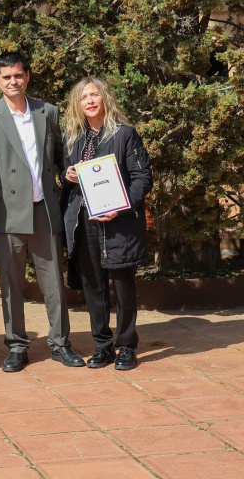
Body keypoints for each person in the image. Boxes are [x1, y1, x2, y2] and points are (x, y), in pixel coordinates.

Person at [0, 51, 85, 372]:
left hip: (43, 210)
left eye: (18, 75)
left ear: (27, 77)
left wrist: (68, 173)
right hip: (7, 214)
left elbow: (61, 156)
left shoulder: (47, 112)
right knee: (11, 285)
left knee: (54, 283)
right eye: (6, 76)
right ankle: (17, 346)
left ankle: (61, 343)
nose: (13, 81)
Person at [62, 78, 153, 370]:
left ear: (105, 99)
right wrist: (68, 175)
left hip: (119, 223)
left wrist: (121, 207)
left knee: (123, 287)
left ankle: (126, 346)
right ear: (78, 105)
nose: (89, 101)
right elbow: (68, 179)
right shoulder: (74, 138)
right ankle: (102, 346)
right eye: (83, 97)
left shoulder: (125, 135)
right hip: (85, 221)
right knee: (93, 287)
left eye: (94, 95)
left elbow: (143, 178)